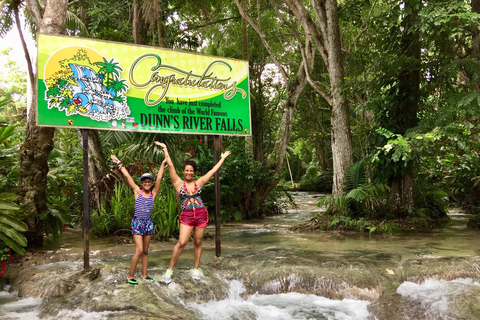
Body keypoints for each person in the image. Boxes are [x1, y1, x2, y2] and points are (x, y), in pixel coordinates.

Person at [154, 141, 231, 283]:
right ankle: (170, 269)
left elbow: (212, 171)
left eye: (191, 171)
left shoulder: (199, 182)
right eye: (186, 170)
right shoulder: (178, 183)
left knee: (198, 242)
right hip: (187, 216)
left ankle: (195, 268)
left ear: (194, 172)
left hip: (201, 215)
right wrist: (165, 149)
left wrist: (223, 158)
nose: (189, 172)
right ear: (183, 172)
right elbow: (170, 165)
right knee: (182, 242)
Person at [110, 145, 167, 285]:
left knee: (146, 250)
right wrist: (118, 162)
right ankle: (130, 276)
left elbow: (159, 179)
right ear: (142, 183)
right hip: (137, 223)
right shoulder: (137, 191)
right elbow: (128, 176)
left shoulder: (153, 194)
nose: (147, 183)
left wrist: (163, 164)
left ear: (151, 183)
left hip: (148, 223)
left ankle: (144, 275)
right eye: (145, 181)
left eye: (149, 181)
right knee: (139, 250)